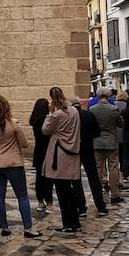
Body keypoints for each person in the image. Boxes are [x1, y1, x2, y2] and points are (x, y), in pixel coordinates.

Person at [0, 96, 39, 239]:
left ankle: (4, 226)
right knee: (22, 195)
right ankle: (28, 227)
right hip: (13, 163)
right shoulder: (14, 125)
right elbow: (24, 143)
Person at [42, 87, 81, 234]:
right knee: (69, 189)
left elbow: (45, 130)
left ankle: (68, 224)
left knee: (62, 190)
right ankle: (74, 221)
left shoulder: (57, 114)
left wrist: (49, 114)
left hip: (59, 154)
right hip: (72, 152)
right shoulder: (74, 111)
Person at [70, 98, 108, 217]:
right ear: (80, 104)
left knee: (76, 179)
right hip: (88, 149)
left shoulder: (69, 116)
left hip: (74, 150)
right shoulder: (88, 114)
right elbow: (97, 132)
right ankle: (100, 206)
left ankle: (81, 207)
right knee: (93, 178)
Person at [92, 86, 124, 204]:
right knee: (113, 167)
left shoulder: (92, 109)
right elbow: (121, 124)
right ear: (109, 95)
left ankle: (98, 192)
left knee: (98, 168)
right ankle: (114, 194)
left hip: (97, 142)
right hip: (111, 142)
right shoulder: (113, 109)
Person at [29, 97, 54, 214]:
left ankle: (40, 201)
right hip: (48, 150)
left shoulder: (34, 121)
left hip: (38, 151)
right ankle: (49, 201)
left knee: (39, 177)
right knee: (49, 177)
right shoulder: (47, 120)